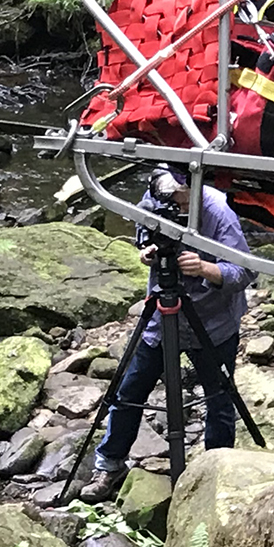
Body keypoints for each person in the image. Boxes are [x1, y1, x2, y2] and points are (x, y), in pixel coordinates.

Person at [76, 172, 252, 503]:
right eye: (174, 200)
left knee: (219, 397)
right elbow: (144, 231)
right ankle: (110, 464)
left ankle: (218, 471)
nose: (179, 205)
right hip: (162, 312)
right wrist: (147, 252)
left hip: (212, 322)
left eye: (185, 200)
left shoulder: (218, 211)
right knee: (129, 390)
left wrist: (203, 268)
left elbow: (244, 271)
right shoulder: (156, 195)